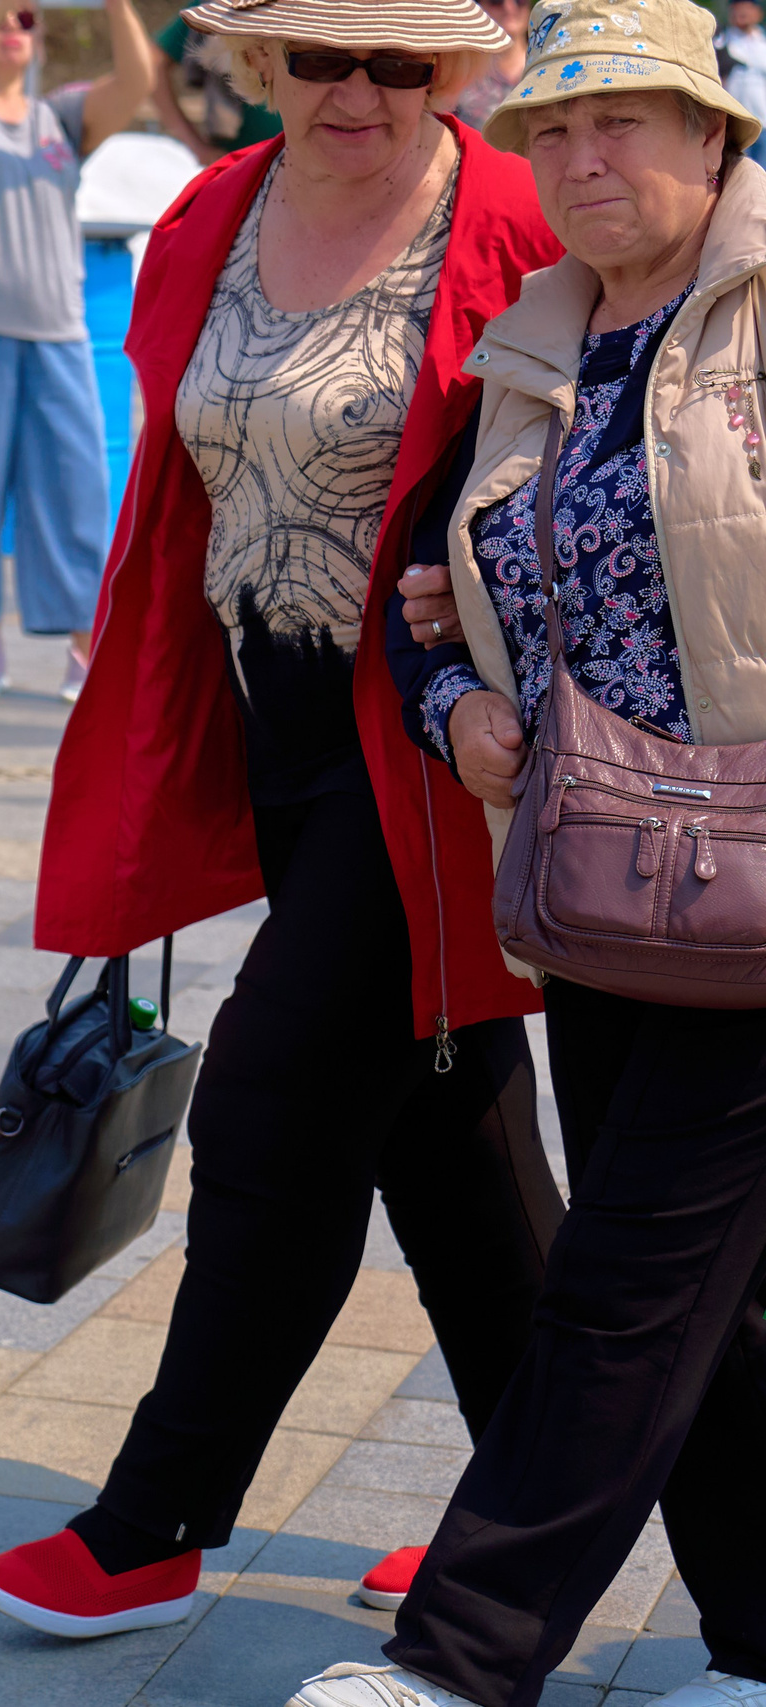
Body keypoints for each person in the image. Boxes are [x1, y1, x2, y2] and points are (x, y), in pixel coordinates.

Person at [0, 0, 573, 1646]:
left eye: (403, 62)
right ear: (267, 65)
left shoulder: (516, 217)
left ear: (454, 74)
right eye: (326, 56)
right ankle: (530, 1513)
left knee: (268, 1107)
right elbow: (183, 451)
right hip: (272, 720)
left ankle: (155, 1515)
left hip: (446, 739)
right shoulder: (208, 211)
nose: (362, 92)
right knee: (446, 1126)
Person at [292, 8, 766, 1706]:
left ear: (714, 139)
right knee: (717, 1293)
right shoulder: (543, 334)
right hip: (604, 869)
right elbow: (432, 569)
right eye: (557, 131)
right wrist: (454, 706)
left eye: (628, 126)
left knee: (624, 1283)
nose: (585, 164)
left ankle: (460, 1658)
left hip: (758, 886)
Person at [0, 0, 153, 703]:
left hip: (58, 331)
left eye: (26, 18)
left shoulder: (62, 118)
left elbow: (137, 81)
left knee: (77, 492)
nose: (16, 29)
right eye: (1, 19)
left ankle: (81, 646)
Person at [151, 1, 281, 162]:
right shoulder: (216, 6)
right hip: (235, 163)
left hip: (302, 158)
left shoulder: (307, 11)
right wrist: (195, 145)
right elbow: (153, 63)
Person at [451, 0, 527, 140]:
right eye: (496, 1)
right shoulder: (459, 74)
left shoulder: (549, 69)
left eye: (520, 1)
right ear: (478, 8)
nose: (510, 8)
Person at [723, 0, 766, 166]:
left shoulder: (762, 42)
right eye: (737, 6)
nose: (741, 11)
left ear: (758, 12)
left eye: (747, 7)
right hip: (734, 123)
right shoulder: (722, 41)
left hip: (762, 120)